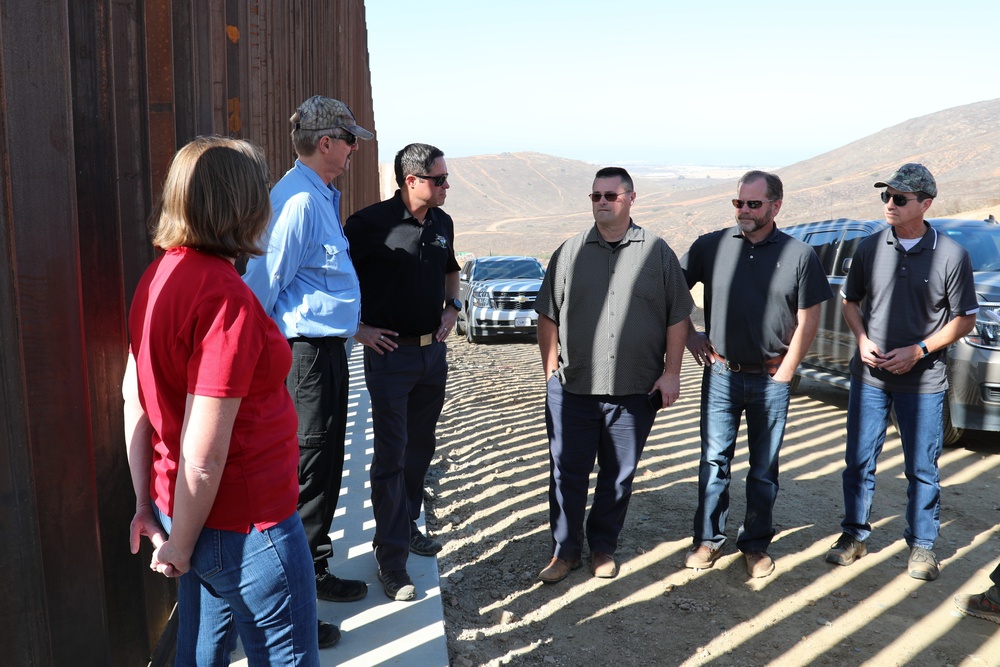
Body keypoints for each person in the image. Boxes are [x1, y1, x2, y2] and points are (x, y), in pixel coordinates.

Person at [123, 136, 324, 663]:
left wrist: (148, 506)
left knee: (199, 651)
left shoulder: (157, 277)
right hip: (246, 524)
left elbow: (135, 403)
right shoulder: (224, 297)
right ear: (244, 205)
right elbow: (205, 453)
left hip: (184, 511)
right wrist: (181, 547)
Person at [243, 96, 373, 614]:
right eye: (350, 140)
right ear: (326, 144)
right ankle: (296, 593)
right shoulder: (297, 201)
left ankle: (311, 571)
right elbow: (260, 289)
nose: (354, 149)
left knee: (321, 465)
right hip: (305, 358)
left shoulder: (315, 194)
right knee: (308, 469)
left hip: (321, 355)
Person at [533, 166, 693, 584]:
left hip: (634, 391)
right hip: (573, 389)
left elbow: (679, 317)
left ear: (630, 198)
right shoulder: (569, 252)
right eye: (595, 196)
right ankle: (564, 552)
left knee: (618, 476)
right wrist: (550, 368)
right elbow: (547, 314)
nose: (602, 201)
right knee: (567, 474)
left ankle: (602, 547)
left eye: (611, 195)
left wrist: (671, 373)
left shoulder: (657, 252)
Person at [826, 163, 977, 581]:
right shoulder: (870, 248)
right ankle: (853, 536)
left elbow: (965, 319)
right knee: (858, 461)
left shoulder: (951, 255)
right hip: (870, 378)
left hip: (923, 382)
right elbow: (850, 302)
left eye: (900, 198)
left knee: (922, 467)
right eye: (886, 196)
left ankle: (923, 547)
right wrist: (860, 339)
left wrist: (920, 350)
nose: (889, 204)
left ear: (926, 204)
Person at [682, 170, 831, 578]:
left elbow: (809, 318)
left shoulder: (800, 255)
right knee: (714, 461)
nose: (743, 211)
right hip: (722, 373)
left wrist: (786, 371)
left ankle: (755, 544)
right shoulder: (711, 246)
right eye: (738, 203)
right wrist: (692, 335)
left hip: (771, 378)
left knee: (764, 468)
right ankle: (708, 540)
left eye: (753, 204)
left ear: (775, 206)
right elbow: (672, 290)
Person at [344, 143, 460, 601]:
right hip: (390, 357)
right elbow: (334, 283)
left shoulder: (442, 222)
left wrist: (452, 307)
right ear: (412, 181)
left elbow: (451, 271)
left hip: (433, 357)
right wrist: (359, 329)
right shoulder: (367, 225)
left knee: (420, 449)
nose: (446, 186)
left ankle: (407, 523)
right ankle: (391, 561)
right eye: (439, 180)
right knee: (391, 456)